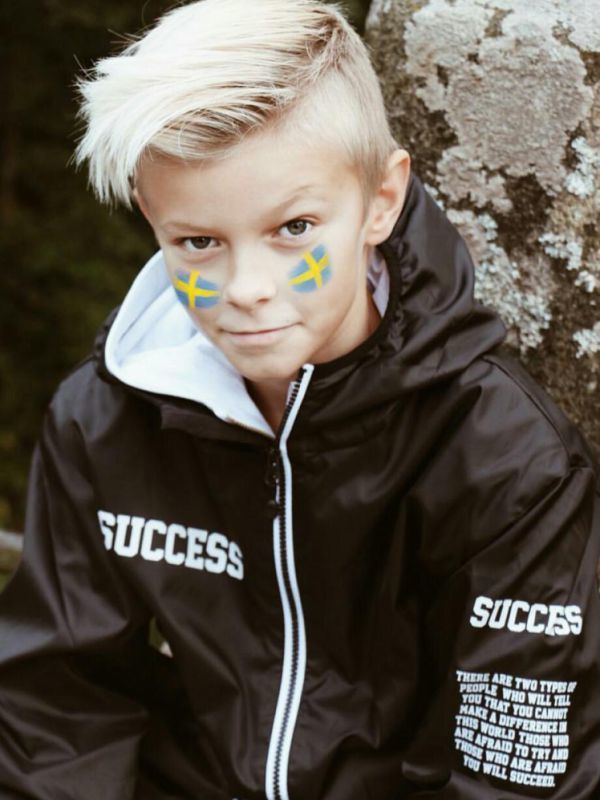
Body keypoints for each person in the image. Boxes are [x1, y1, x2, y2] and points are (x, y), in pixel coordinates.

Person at [0, 0, 598, 797]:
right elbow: (57, 707)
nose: (246, 288)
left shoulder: (507, 461)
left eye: (293, 229)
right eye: (199, 242)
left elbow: (512, 771)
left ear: (380, 200)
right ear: (150, 213)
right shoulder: (103, 419)